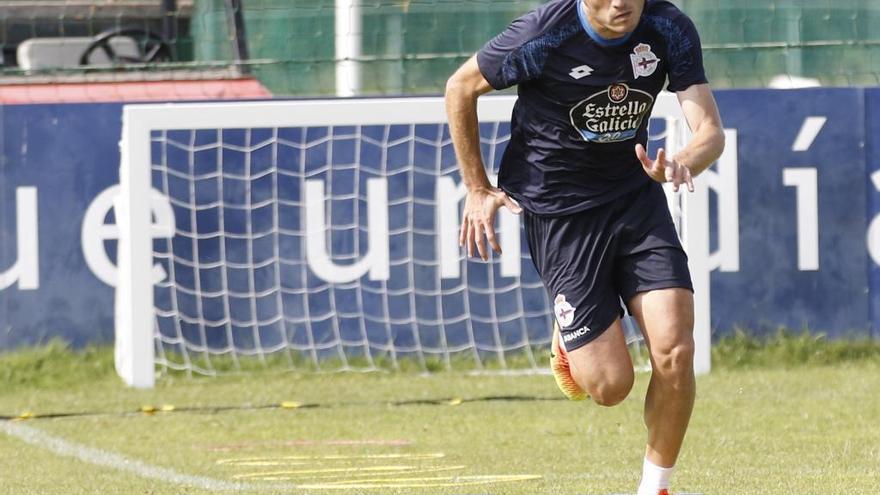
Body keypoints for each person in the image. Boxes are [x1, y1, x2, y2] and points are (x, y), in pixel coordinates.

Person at [444, 0, 725, 494]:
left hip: (636, 201)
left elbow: (710, 133)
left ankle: (655, 487)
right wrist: (477, 187)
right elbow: (460, 86)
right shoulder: (542, 34)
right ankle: (567, 335)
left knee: (676, 350)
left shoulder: (668, 27)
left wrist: (683, 160)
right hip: (561, 215)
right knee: (610, 387)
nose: (621, 3)